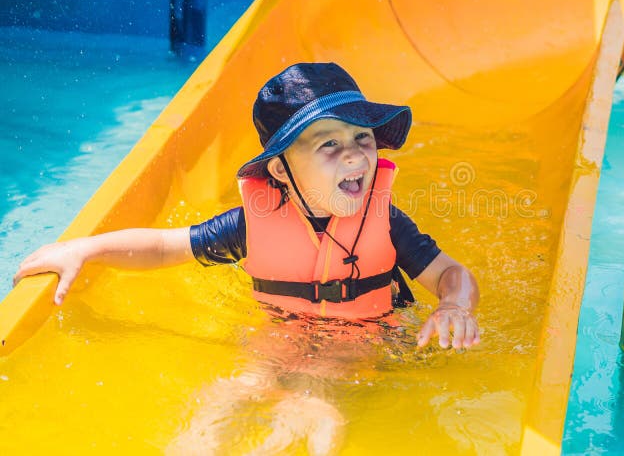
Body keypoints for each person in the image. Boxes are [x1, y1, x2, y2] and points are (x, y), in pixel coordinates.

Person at [13, 62, 480, 454]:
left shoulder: (386, 221)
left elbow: (451, 274)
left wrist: (454, 306)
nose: (356, 156)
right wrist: (85, 248)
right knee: (235, 390)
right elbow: (163, 247)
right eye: (330, 145)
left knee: (319, 404)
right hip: (283, 331)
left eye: (362, 138)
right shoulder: (253, 223)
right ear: (280, 169)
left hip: (366, 337)